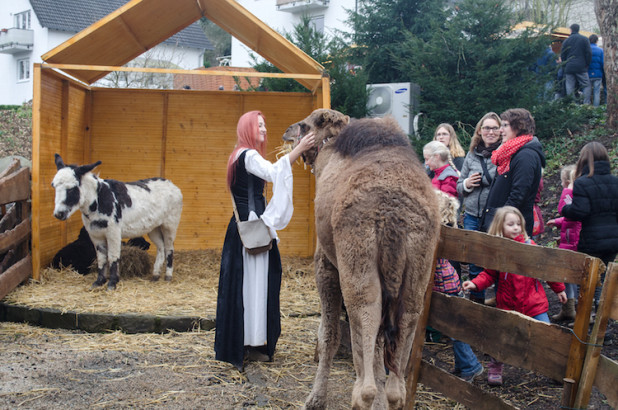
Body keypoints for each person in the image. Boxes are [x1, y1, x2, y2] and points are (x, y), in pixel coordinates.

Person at [214, 111, 315, 370]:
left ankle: (252, 342)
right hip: (251, 229)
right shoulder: (247, 155)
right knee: (254, 285)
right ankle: (248, 343)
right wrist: (298, 150)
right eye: (259, 125)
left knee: (253, 286)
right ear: (247, 128)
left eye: (264, 124)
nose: (264, 129)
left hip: (247, 228)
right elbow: (273, 172)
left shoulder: (239, 155)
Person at [463, 206, 567, 386]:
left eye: (518, 224)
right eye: (511, 224)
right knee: (501, 338)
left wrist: (559, 289)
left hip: (534, 304)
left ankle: (554, 368)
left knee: (546, 336)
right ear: (499, 228)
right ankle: (496, 367)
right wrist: (474, 283)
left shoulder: (530, 247)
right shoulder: (499, 252)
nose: (516, 228)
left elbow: (546, 269)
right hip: (508, 305)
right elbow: (488, 274)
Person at [423, 140, 484, 382]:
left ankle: (470, 367)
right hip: (447, 284)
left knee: (454, 329)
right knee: (452, 327)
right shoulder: (443, 227)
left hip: (444, 286)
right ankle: (465, 366)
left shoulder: (438, 232)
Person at [561, 142, 618, 310]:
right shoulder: (615, 182)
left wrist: (565, 209)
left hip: (591, 241)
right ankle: (601, 324)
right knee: (604, 279)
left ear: (583, 160)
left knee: (586, 281)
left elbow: (581, 211)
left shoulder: (582, 183)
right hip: (613, 241)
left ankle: (584, 323)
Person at [456, 112, 501, 304]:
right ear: (479, 131)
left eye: (494, 128)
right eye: (486, 128)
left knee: (497, 262)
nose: (490, 132)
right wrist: (466, 183)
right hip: (472, 215)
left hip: (495, 217)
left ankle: (500, 304)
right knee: (474, 263)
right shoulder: (472, 154)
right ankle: (477, 304)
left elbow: (502, 181)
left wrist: (481, 180)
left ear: (500, 131)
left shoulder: (505, 153)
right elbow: (459, 185)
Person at [480, 108, 545, 237]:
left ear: (518, 127)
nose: (501, 130)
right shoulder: (512, 152)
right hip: (499, 224)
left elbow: (518, 194)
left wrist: (502, 221)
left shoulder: (526, 155)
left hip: (509, 229)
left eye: (505, 125)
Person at [546, 165, 581, 322]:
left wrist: (568, 189)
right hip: (570, 237)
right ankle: (570, 308)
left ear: (567, 182)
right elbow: (569, 217)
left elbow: (563, 209)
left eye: (561, 183)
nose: (560, 186)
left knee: (568, 275)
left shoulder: (571, 193)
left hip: (572, 241)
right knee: (569, 276)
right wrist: (558, 222)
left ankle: (570, 308)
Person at [560, 24, 592, 104]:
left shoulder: (566, 41)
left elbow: (563, 55)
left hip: (569, 67)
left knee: (570, 86)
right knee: (586, 85)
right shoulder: (584, 39)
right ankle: (586, 104)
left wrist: (565, 65)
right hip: (581, 67)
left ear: (570, 30)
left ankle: (572, 104)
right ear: (578, 29)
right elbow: (588, 53)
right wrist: (587, 64)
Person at [588, 34, 605, 107]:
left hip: (587, 74)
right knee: (597, 92)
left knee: (587, 92)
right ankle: (596, 108)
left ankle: (586, 107)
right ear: (596, 41)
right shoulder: (600, 50)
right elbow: (602, 63)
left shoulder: (586, 49)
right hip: (598, 74)